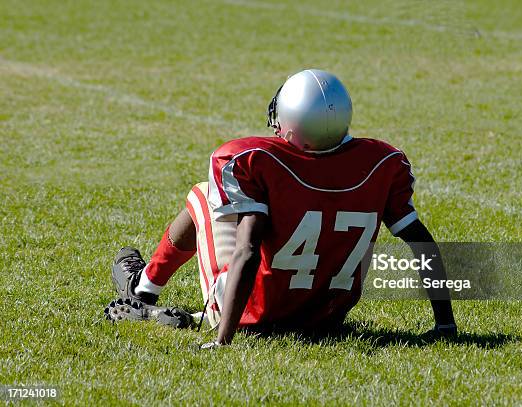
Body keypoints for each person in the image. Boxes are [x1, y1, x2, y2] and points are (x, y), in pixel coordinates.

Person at [107, 69, 458, 346]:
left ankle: (144, 289)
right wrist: (444, 323)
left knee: (201, 194)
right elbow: (422, 244)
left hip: (250, 312)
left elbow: (247, 250)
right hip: (325, 316)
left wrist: (223, 340)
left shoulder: (254, 158)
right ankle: (168, 303)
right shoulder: (382, 163)